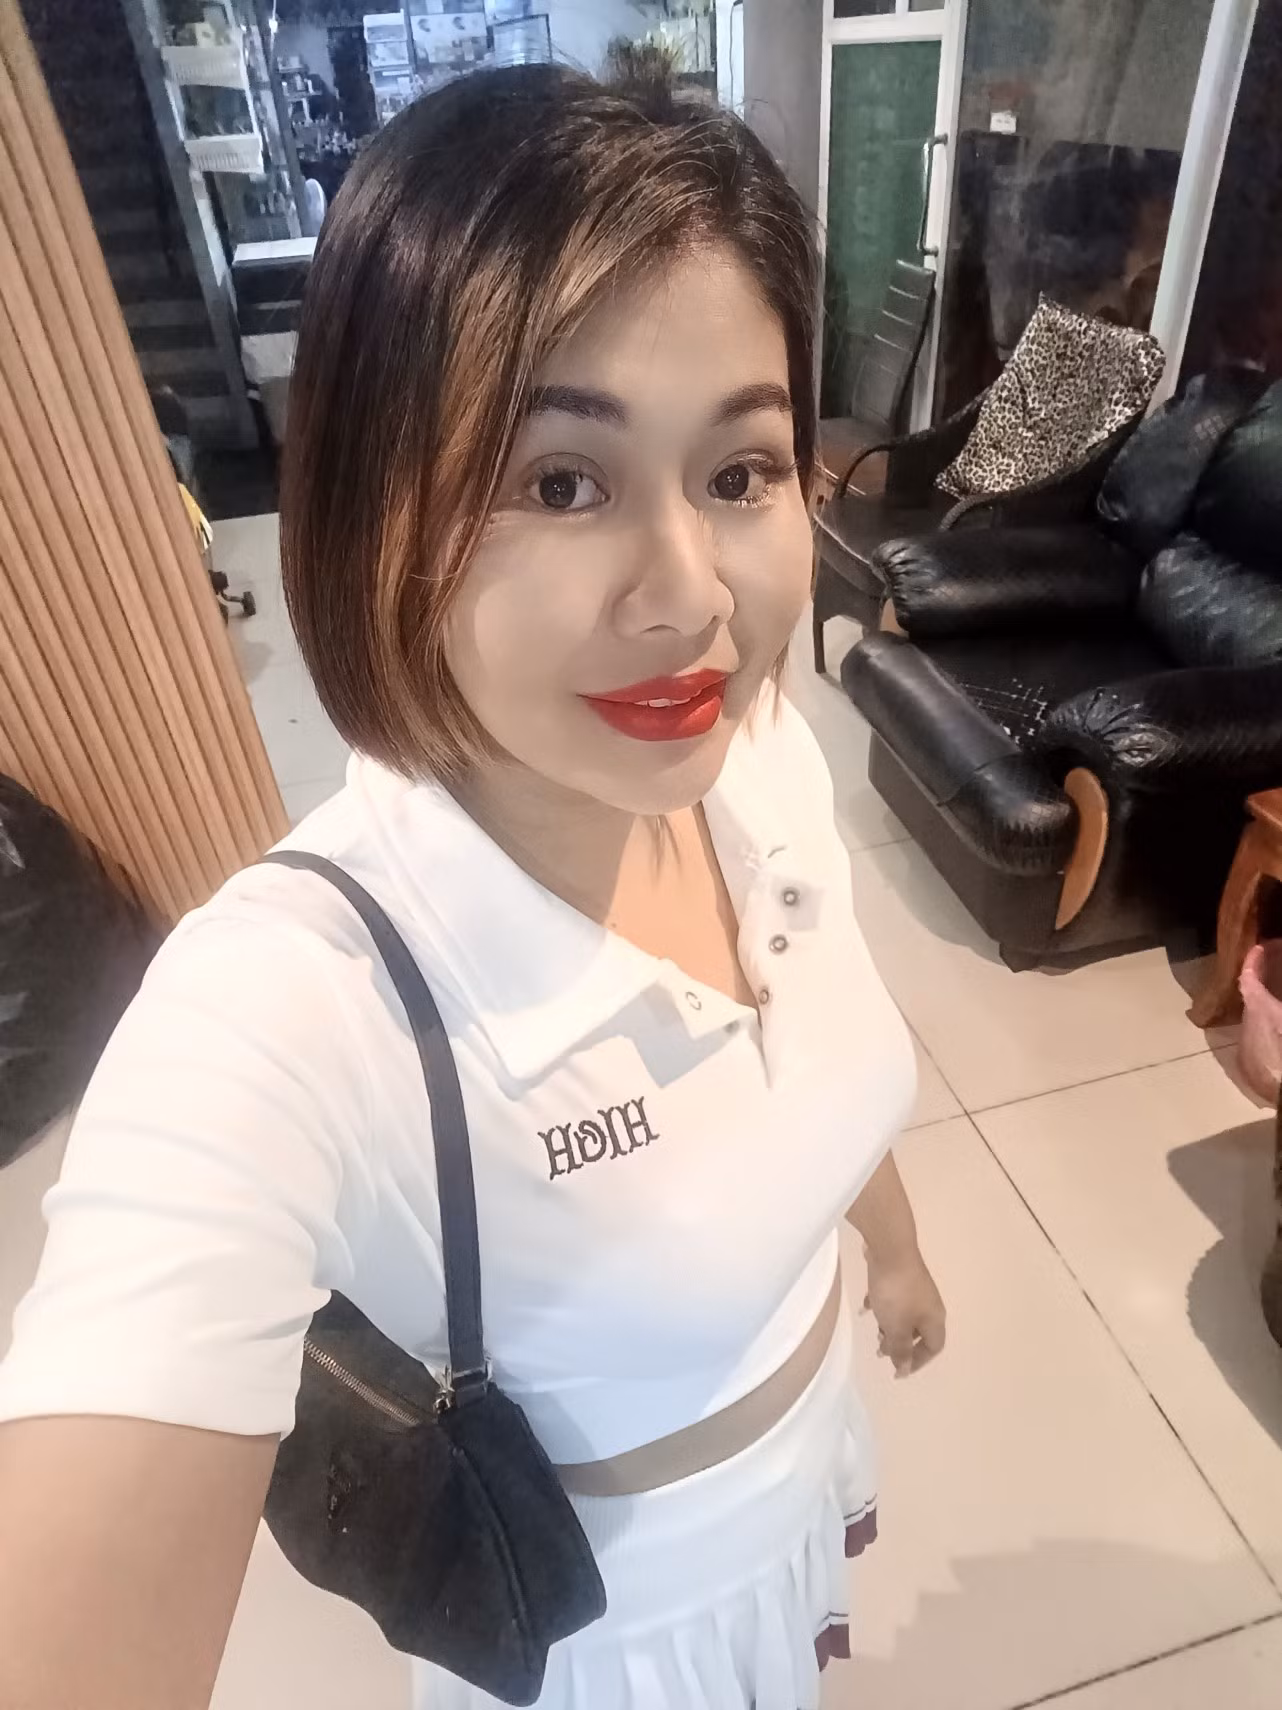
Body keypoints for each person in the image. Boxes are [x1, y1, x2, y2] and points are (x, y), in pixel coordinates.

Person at [0, 62, 945, 1710]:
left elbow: (808, 1055)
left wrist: (896, 1249)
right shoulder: (288, 1008)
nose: (689, 598)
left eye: (739, 473)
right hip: (611, 1641)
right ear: (373, 518)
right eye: (560, 482)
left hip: (798, 1484)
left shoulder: (760, 758)